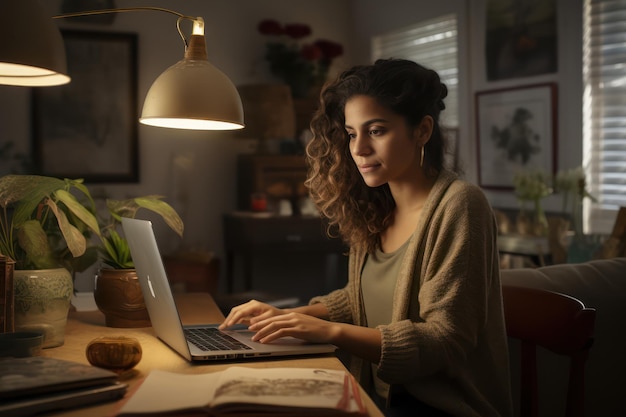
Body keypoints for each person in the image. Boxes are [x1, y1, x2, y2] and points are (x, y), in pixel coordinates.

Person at [220, 58, 513, 417]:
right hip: (373, 395)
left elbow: (445, 339)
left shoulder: (461, 205)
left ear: (422, 130)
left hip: (439, 407)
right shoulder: (376, 206)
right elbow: (360, 299)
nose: (358, 149)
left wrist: (328, 332)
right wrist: (285, 316)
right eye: (352, 133)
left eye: (376, 131)